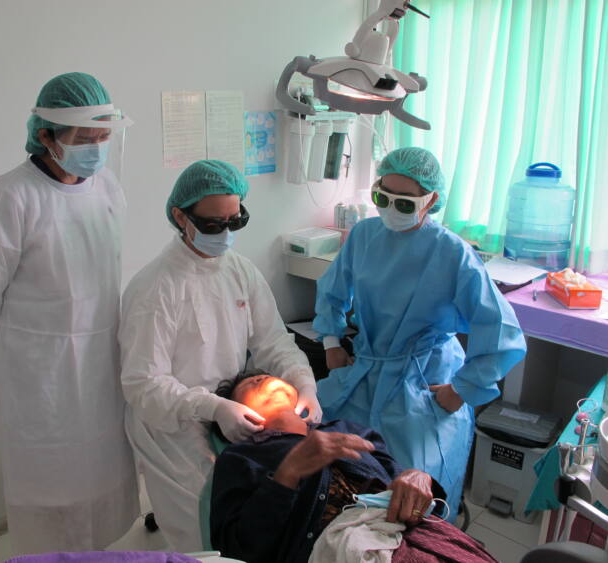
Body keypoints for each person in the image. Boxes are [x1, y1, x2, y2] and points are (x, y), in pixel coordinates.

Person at [0, 72, 138, 554]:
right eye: (85, 138)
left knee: (102, 471)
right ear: (46, 136)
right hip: (37, 374)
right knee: (50, 484)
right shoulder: (8, 198)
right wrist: (21, 354)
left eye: (103, 137)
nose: (96, 149)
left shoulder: (106, 188)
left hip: (101, 359)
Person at [313, 147, 527, 520]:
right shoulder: (364, 235)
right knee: (336, 466)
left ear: (431, 200)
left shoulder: (452, 253)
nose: (390, 209)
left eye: (405, 203)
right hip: (366, 371)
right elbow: (332, 291)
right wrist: (331, 342)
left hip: (424, 384)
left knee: (413, 490)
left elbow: (502, 332)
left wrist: (462, 389)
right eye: (382, 197)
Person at [119, 159, 322, 552]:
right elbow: (144, 384)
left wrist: (305, 384)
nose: (226, 233)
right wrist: (212, 407)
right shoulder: (155, 289)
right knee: (204, 529)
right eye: (214, 225)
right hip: (172, 425)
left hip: (231, 410)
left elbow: (273, 341)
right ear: (181, 217)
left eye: (236, 220)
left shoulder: (240, 271)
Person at [210, 371, 498, 563]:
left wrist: (417, 477)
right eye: (250, 385)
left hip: (407, 533)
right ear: (237, 415)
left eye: (267, 376)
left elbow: (397, 478)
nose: (261, 378)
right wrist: (288, 473)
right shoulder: (240, 457)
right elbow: (238, 550)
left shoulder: (347, 429)